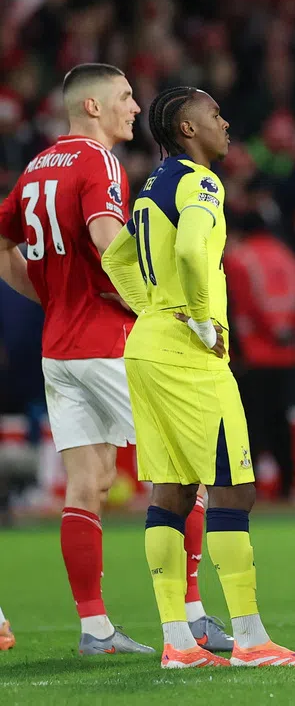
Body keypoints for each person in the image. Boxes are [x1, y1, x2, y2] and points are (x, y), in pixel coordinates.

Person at [0, 63, 229, 656]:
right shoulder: (97, 161)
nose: (135, 107)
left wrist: (49, 296)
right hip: (109, 342)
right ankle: (196, 616)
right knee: (186, 472)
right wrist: (153, 302)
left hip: (59, 347)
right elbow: (108, 240)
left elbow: (4, 243)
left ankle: (95, 626)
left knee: (88, 484)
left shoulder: (34, 169)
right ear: (94, 107)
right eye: (126, 97)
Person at [100, 86, 295, 668]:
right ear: (186, 130)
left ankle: (177, 641)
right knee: (233, 487)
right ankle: (251, 641)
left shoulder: (150, 188)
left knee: (172, 493)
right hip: (187, 353)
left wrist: (150, 306)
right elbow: (195, 252)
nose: (226, 124)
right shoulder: (200, 182)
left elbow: (116, 260)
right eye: (215, 116)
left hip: (148, 345)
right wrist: (200, 317)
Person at [225, 192, 295, 501]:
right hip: (287, 355)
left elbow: (238, 307)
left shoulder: (238, 258)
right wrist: (292, 335)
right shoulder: (289, 258)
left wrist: (236, 350)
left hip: (252, 356)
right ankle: (288, 487)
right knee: (281, 421)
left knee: (250, 423)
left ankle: (246, 486)